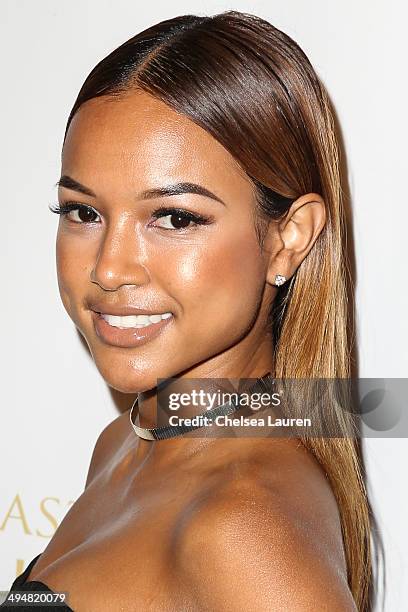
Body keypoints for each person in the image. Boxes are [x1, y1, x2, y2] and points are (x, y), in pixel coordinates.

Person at [1, 10, 372, 611]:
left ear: (289, 238)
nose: (109, 268)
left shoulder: (243, 528)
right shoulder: (123, 443)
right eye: (83, 212)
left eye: (175, 218)